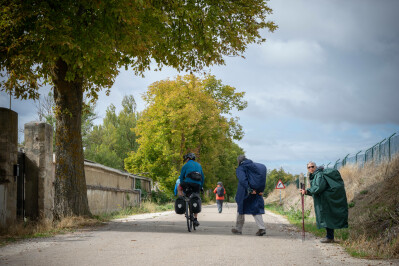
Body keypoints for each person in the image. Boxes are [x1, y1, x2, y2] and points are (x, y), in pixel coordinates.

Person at [300, 161, 348, 243]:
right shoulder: (315, 175)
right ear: (307, 169)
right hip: (323, 199)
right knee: (327, 217)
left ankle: (329, 237)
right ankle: (330, 237)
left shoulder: (319, 175)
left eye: (312, 166)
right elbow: (317, 189)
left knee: (326, 218)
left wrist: (307, 191)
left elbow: (319, 187)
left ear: (316, 166)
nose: (311, 168)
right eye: (309, 167)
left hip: (325, 200)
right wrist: (307, 192)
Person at [231, 155, 267, 236]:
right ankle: (261, 228)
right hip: (257, 191)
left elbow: (242, 179)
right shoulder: (254, 167)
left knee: (241, 208)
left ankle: (238, 229)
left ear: (239, 161)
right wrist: (260, 190)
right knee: (256, 209)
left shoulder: (241, 168)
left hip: (245, 191)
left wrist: (249, 189)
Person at [178, 152, 205, 227]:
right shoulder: (199, 165)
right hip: (197, 185)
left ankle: (183, 199)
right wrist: (201, 186)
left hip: (188, 184)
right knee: (196, 198)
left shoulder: (185, 165)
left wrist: (182, 186)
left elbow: (181, 177)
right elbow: (203, 178)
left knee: (179, 188)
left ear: (188, 158)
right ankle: (195, 219)